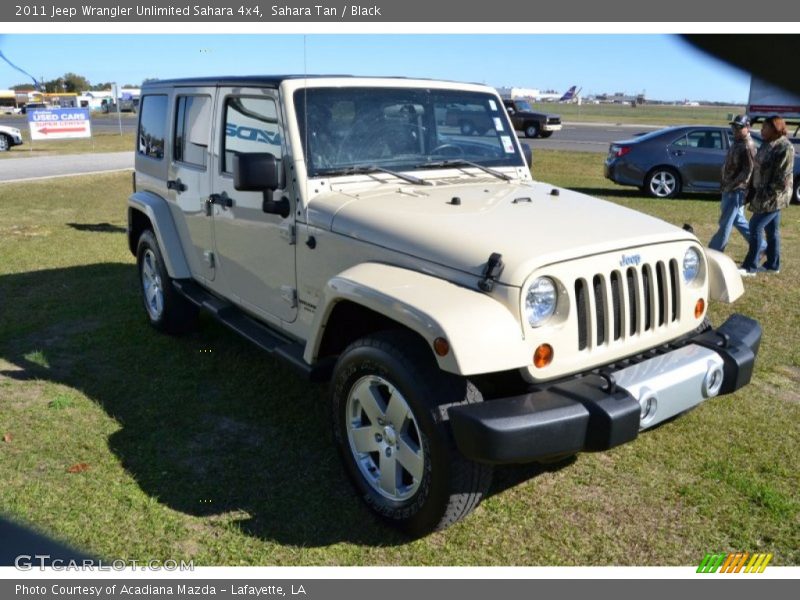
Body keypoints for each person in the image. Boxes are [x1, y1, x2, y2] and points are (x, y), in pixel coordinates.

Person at [740, 115, 795, 275]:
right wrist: (751, 189)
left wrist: (765, 194)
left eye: (765, 127)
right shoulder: (766, 144)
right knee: (772, 231)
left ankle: (750, 267)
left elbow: (782, 178)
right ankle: (773, 265)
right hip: (761, 193)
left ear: (775, 128)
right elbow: (758, 168)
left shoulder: (785, 147)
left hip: (774, 197)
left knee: (755, 226)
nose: (761, 130)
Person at [708, 115, 760, 253]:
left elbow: (748, 172)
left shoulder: (747, 145)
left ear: (747, 127)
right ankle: (762, 247)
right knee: (737, 220)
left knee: (725, 222)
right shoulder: (737, 141)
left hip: (736, 191)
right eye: (733, 126)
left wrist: (733, 186)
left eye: (739, 127)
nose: (735, 129)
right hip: (729, 188)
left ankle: (715, 250)